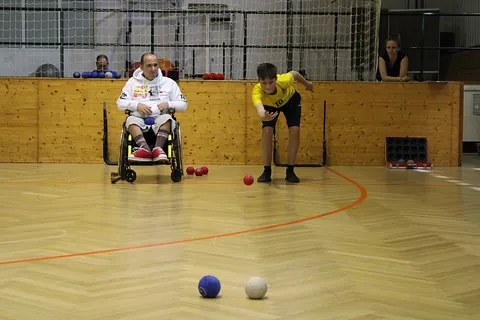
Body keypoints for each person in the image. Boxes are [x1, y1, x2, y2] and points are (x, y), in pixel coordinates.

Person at [116, 52, 187, 162]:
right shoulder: (132, 83)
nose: (153, 69)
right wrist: (136, 105)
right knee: (130, 120)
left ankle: (158, 149)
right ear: (141, 67)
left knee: (167, 119)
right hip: (139, 119)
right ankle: (144, 149)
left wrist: (168, 104)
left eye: (155, 65)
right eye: (149, 66)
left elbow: (183, 105)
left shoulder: (169, 83)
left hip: (160, 118)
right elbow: (120, 103)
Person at [252, 63, 313, 183]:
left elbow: (295, 74)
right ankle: (266, 171)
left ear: (276, 79)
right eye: (264, 83)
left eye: (271, 82)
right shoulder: (257, 91)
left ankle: (290, 171)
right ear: (259, 81)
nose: (268, 87)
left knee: (295, 130)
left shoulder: (284, 81)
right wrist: (265, 116)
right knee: (267, 131)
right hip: (270, 105)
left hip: (290, 100)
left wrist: (307, 84)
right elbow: (260, 109)